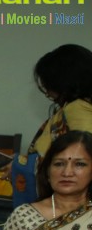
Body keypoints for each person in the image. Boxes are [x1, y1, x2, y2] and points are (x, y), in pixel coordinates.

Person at [0, 130, 92, 230]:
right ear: (47, 172)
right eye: (59, 164)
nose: (67, 172)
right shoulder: (24, 215)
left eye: (79, 164)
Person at [10, 44, 92, 207]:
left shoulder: (77, 109)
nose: (47, 92)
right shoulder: (74, 108)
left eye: (49, 84)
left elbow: (83, 153)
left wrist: (21, 163)